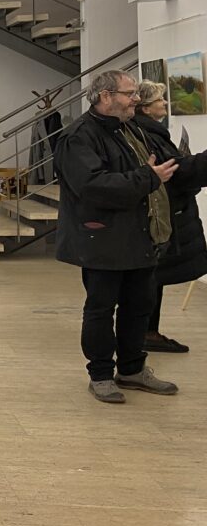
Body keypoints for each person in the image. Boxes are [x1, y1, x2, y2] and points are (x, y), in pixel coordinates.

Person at [54, 69, 178, 404]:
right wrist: (147, 178)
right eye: (130, 93)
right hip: (103, 239)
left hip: (138, 235)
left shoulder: (130, 128)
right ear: (105, 96)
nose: (136, 99)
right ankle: (101, 375)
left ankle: (132, 369)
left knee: (138, 306)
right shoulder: (78, 137)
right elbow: (93, 187)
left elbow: (162, 169)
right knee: (101, 308)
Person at [133, 80, 207, 354]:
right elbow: (174, 174)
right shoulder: (146, 135)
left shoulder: (150, 132)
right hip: (159, 216)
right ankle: (144, 334)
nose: (165, 103)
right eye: (159, 100)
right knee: (151, 277)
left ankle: (147, 332)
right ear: (145, 108)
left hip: (165, 212)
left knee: (154, 277)